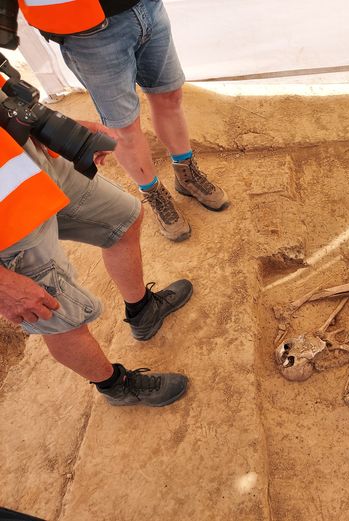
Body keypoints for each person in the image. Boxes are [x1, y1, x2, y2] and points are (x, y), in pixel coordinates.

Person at [0, 122, 192, 407]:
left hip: (29, 159)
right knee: (58, 314)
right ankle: (116, 386)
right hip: (8, 223)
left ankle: (143, 311)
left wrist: (54, 126)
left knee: (123, 217)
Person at [16, 0, 229, 242]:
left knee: (169, 95)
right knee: (124, 127)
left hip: (146, 6)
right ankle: (154, 192)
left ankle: (185, 173)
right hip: (88, 33)